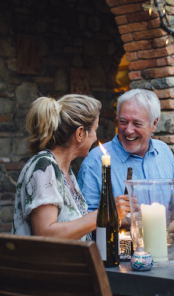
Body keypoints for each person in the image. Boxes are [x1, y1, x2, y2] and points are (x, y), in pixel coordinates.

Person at [12, 94, 125, 241]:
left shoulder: (66, 172)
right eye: (94, 130)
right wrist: (106, 212)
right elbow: (46, 235)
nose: (96, 138)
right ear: (79, 134)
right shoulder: (43, 167)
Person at [77, 89, 174, 222]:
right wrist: (119, 216)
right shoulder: (95, 161)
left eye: (137, 123)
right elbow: (85, 223)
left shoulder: (164, 152)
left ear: (154, 124)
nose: (128, 130)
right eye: (123, 122)